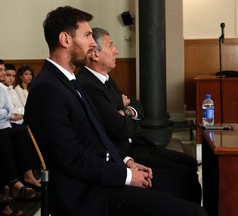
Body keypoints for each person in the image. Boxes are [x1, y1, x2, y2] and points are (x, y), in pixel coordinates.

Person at [24, 6, 207, 216]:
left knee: (186, 187)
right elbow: (72, 158)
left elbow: (95, 138)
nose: (93, 43)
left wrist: (127, 161)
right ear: (65, 39)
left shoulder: (67, 82)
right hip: (86, 195)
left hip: (102, 178)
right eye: (87, 35)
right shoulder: (47, 89)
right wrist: (127, 176)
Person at [77, 27, 202, 203]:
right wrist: (125, 112)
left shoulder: (106, 78)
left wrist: (124, 111)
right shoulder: (88, 84)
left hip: (135, 143)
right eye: (111, 45)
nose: (116, 50)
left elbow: (137, 106)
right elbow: (118, 128)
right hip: (123, 154)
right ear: (95, 55)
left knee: (189, 164)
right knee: (186, 181)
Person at [0, 59, 40, 216]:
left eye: (5, 70)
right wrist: (5, 113)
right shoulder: (10, 88)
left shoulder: (4, 89)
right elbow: (7, 112)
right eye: (2, 71)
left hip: (7, 125)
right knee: (10, 136)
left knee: (20, 133)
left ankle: (27, 175)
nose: (4, 74)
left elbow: (9, 110)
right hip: (5, 126)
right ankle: (14, 185)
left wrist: (5, 113)